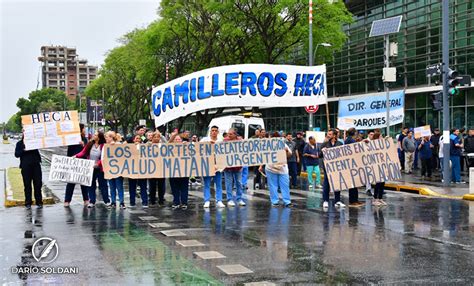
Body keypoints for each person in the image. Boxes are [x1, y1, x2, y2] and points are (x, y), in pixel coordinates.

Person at [75, 131, 109, 208]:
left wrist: (98, 164)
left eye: (96, 135)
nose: (94, 135)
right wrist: (75, 156)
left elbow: (104, 157)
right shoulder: (90, 144)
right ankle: (92, 201)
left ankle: (106, 200)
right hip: (90, 168)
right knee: (90, 185)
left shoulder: (103, 146)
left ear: (99, 137)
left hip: (100, 169)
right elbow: (83, 153)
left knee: (103, 185)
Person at [260, 132, 292, 207]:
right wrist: (261, 166)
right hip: (271, 168)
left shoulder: (283, 144)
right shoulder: (268, 145)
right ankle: (275, 201)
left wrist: (286, 151)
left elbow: (289, 154)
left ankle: (287, 201)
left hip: (282, 169)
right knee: (272, 185)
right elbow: (263, 156)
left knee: (285, 185)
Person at [15, 133, 43, 209]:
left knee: (38, 184)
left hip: (36, 166)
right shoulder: (19, 144)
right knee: (27, 185)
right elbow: (16, 154)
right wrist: (23, 150)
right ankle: (28, 203)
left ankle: (39, 202)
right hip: (25, 167)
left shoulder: (34, 143)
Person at [319, 129, 345, 209]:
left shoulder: (340, 144)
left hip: (337, 167)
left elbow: (343, 155)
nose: (328, 135)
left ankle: (337, 201)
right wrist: (322, 151)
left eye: (330, 134)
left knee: (337, 184)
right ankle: (325, 201)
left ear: (334, 135)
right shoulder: (324, 144)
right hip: (327, 168)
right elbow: (319, 155)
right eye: (328, 134)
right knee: (326, 184)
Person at [64, 123, 88, 207]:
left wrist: (83, 145)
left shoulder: (84, 139)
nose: (85, 130)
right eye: (83, 128)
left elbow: (87, 150)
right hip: (73, 162)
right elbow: (69, 150)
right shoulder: (72, 139)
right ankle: (67, 200)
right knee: (71, 182)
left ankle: (86, 199)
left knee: (83, 182)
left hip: (82, 163)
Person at [201, 126, 225, 208]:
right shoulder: (204, 140)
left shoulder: (221, 141)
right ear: (210, 132)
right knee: (207, 184)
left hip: (218, 165)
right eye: (212, 130)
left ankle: (219, 200)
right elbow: (198, 148)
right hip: (207, 165)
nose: (214, 132)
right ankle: (207, 200)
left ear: (218, 132)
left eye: (215, 131)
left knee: (218, 184)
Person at [224, 128, 246, 207]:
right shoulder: (225, 141)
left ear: (235, 134)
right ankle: (229, 199)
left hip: (238, 166)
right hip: (228, 167)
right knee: (229, 183)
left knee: (239, 183)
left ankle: (239, 198)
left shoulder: (240, 141)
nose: (228, 135)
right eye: (228, 133)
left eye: (230, 134)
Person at [168, 131, 190, 209]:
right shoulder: (169, 148)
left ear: (182, 140)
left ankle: (184, 202)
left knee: (184, 187)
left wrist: (187, 145)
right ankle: (176, 202)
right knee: (174, 188)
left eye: (179, 139)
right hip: (173, 171)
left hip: (184, 171)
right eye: (176, 139)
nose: (177, 141)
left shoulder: (186, 146)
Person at [105, 131, 126, 209]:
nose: (106, 138)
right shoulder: (105, 146)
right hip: (109, 169)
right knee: (111, 186)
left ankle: (121, 202)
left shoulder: (118, 145)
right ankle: (113, 202)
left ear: (111, 137)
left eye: (107, 137)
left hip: (118, 169)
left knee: (119, 186)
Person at [344, 128, 364, 207]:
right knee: (352, 184)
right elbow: (355, 148)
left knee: (355, 183)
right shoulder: (350, 140)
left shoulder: (350, 140)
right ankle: (352, 201)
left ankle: (355, 200)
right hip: (351, 164)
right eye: (356, 132)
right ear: (354, 133)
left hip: (353, 163)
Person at [128, 135, 149, 208]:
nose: (138, 139)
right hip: (132, 170)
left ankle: (145, 202)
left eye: (139, 138)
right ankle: (132, 202)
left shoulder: (144, 147)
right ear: (133, 140)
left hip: (142, 170)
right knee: (132, 187)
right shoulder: (129, 147)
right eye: (136, 138)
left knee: (143, 187)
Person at [148, 131, 167, 206]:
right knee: (152, 186)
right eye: (155, 137)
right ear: (152, 138)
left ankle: (161, 200)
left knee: (161, 186)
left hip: (161, 169)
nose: (156, 138)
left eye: (158, 137)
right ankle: (152, 201)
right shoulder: (148, 145)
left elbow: (168, 143)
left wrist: (161, 135)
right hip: (151, 169)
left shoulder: (162, 145)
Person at [372, 132, 387, 206]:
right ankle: (375, 199)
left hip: (382, 165)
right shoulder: (373, 145)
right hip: (376, 166)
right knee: (378, 183)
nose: (382, 137)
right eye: (381, 136)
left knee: (383, 183)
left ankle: (380, 198)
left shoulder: (382, 144)